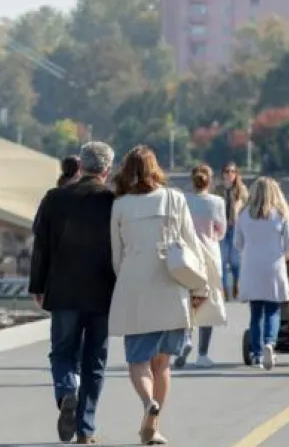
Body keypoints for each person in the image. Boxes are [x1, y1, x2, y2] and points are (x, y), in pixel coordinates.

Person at [108, 145, 208, 445]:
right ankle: (155, 424)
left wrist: (123, 279)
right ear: (155, 169)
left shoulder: (120, 206)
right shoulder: (175, 198)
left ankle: (146, 404)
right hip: (171, 284)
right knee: (162, 364)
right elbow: (191, 245)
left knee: (138, 362)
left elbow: (116, 255)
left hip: (136, 286)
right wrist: (199, 287)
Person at [29, 141, 117, 445]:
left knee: (62, 351)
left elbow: (40, 246)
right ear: (106, 169)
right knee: (96, 359)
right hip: (103, 291)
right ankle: (86, 428)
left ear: (80, 165)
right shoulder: (114, 200)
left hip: (63, 289)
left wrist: (37, 285)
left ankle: (67, 390)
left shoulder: (55, 198)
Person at [235, 177, 289, 370]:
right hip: (273, 267)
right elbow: (288, 246)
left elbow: (238, 244)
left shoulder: (243, 215)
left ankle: (257, 353)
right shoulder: (281, 215)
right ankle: (270, 342)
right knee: (273, 310)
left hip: (252, 268)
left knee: (255, 313)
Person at [175, 164, 227, 369]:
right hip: (210, 255)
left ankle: (185, 339)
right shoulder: (217, 202)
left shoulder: (183, 201)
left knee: (187, 300)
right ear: (210, 180)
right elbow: (221, 230)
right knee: (209, 302)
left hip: (187, 255)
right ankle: (203, 354)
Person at [220, 162, 249, 300]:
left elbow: (248, 207)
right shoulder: (218, 189)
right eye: (226, 171)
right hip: (222, 228)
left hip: (236, 227)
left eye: (232, 171)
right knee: (222, 261)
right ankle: (224, 292)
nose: (229, 174)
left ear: (236, 174)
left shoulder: (241, 190)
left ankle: (239, 288)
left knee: (236, 262)